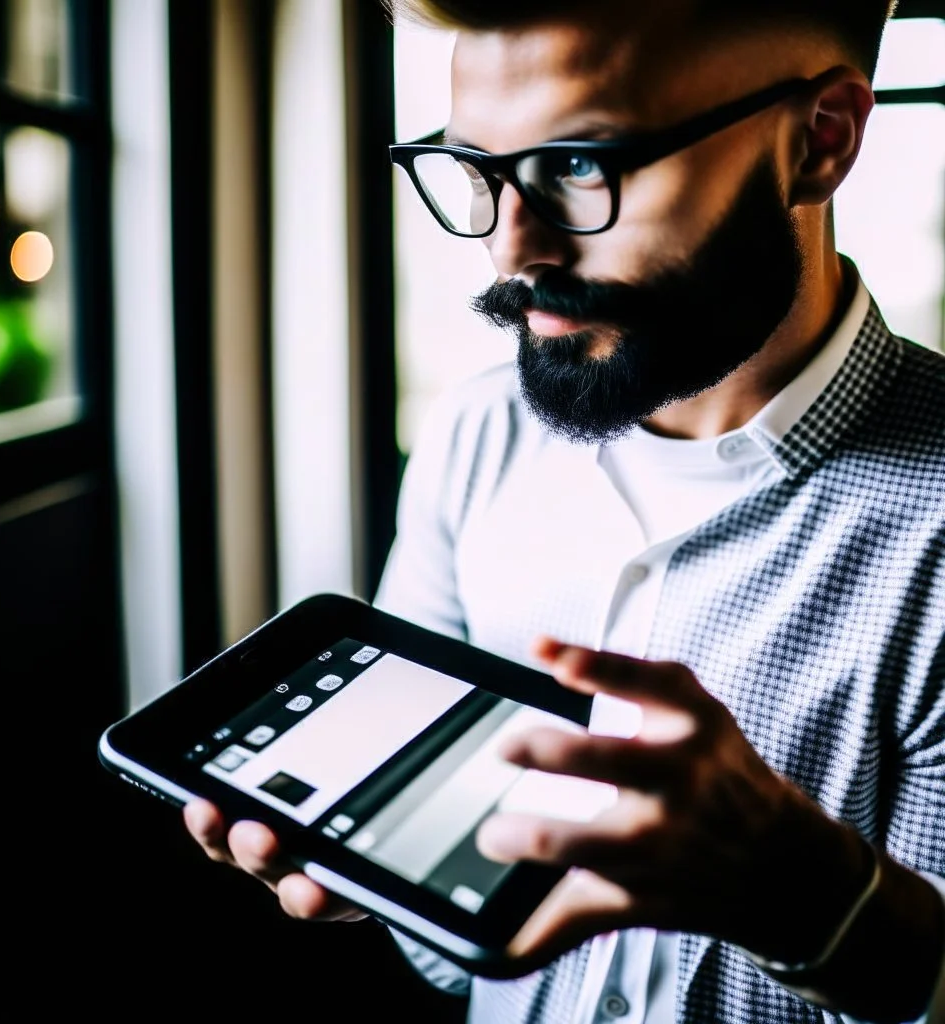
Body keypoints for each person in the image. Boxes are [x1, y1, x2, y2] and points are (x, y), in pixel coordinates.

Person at [183, 1, 945, 1021]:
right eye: (477, 170)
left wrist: (811, 899)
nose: (512, 249)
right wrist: (382, 860)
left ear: (820, 141)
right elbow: (455, 962)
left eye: (582, 164)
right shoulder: (473, 437)